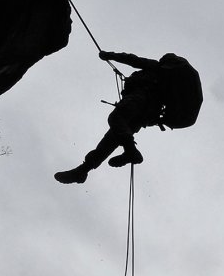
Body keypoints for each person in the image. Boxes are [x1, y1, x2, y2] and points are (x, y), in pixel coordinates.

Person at [54, 50, 203, 184]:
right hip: (148, 114)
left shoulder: (157, 68)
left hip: (140, 99)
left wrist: (110, 55)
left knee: (116, 118)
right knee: (112, 138)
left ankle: (130, 151)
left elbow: (133, 60)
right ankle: (82, 170)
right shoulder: (170, 83)